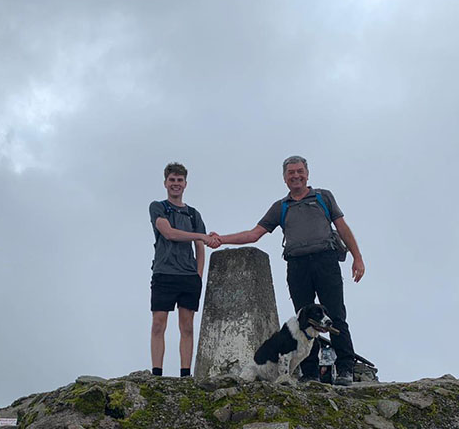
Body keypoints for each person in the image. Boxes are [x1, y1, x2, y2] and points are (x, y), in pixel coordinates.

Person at [211, 155, 365, 385]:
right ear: (284, 178)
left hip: (326, 261)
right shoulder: (281, 207)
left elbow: (342, 227)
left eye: (300, 171)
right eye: (291, 173)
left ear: (307, 173)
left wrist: (357, 257)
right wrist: (221, 239)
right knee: (305, 320)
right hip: (297, 265)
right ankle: (310, 373)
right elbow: (254, 234)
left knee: (335, 316)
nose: (296, 176)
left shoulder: (323, 197)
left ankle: (345, 369)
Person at [148, 162, 220, 377]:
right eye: (172, 180)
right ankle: (157, 373)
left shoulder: (193, 214)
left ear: (185, 184)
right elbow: (169, 233)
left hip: (188, 276)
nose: (176, 184)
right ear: (165, 183)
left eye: (179, 180)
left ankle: (185, 374)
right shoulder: (158, 207)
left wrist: (199, 274)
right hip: (164, 273)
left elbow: (201, 247)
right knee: (158, 324)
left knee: (187, 326)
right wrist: (199, 236)